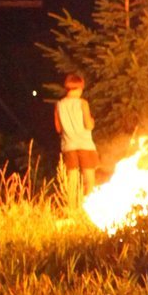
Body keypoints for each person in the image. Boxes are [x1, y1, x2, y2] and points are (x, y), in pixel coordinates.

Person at [54, 73, 97, 205]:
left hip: (68, 146)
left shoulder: (59, 105)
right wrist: (93, 121)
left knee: (71, 182)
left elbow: (58, 129)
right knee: (89, 180)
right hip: (85, 145)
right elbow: (88, 125)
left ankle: (71, 209)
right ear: (79, 87)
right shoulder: (82, 103)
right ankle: (88, 206)